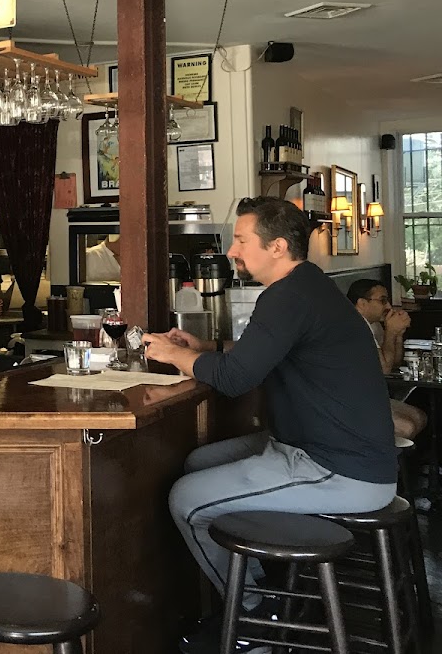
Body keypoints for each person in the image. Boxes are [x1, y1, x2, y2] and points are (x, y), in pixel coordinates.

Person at [143, 197, 396, 654]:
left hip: (340, 468)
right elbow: (262, 349)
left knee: (186, 500)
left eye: (241, 240)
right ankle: (264, 585)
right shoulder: (307, 287)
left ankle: (255, 616)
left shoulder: (287, 295)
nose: (233, 252)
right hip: (330, 451)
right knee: (198, 461)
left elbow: (236, 377)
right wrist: (208, 343)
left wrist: (173, 354)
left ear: (277, 246)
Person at [347, 279, 427, 440]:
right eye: (383, 300)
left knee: (420, 416)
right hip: (350, 402)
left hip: (368, 395)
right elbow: (385, 369)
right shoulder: (354, 327)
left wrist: (397, 333)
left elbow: (394, 362)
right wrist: (390, 331)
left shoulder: (371, 324)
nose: (388, 306)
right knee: (408, 425)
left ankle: (410, 461)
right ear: (362, 303)